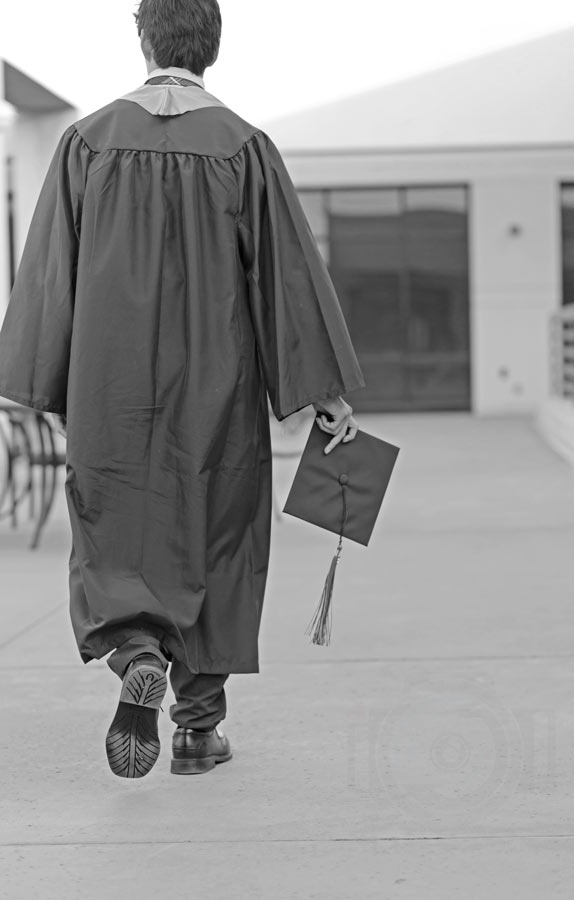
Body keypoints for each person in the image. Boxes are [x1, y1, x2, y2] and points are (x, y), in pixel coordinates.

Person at [0, 0, 364, 779]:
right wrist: (322, 390)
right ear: (213, 48)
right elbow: (287, 276)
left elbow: (50, 274)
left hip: (110, 390)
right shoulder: (244, 148)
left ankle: (137, 652)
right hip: (217, 390)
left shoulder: (87, 143)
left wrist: (37, 378)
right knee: (217, 539)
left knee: (117, 530)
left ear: (143, 37)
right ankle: (199, 731)